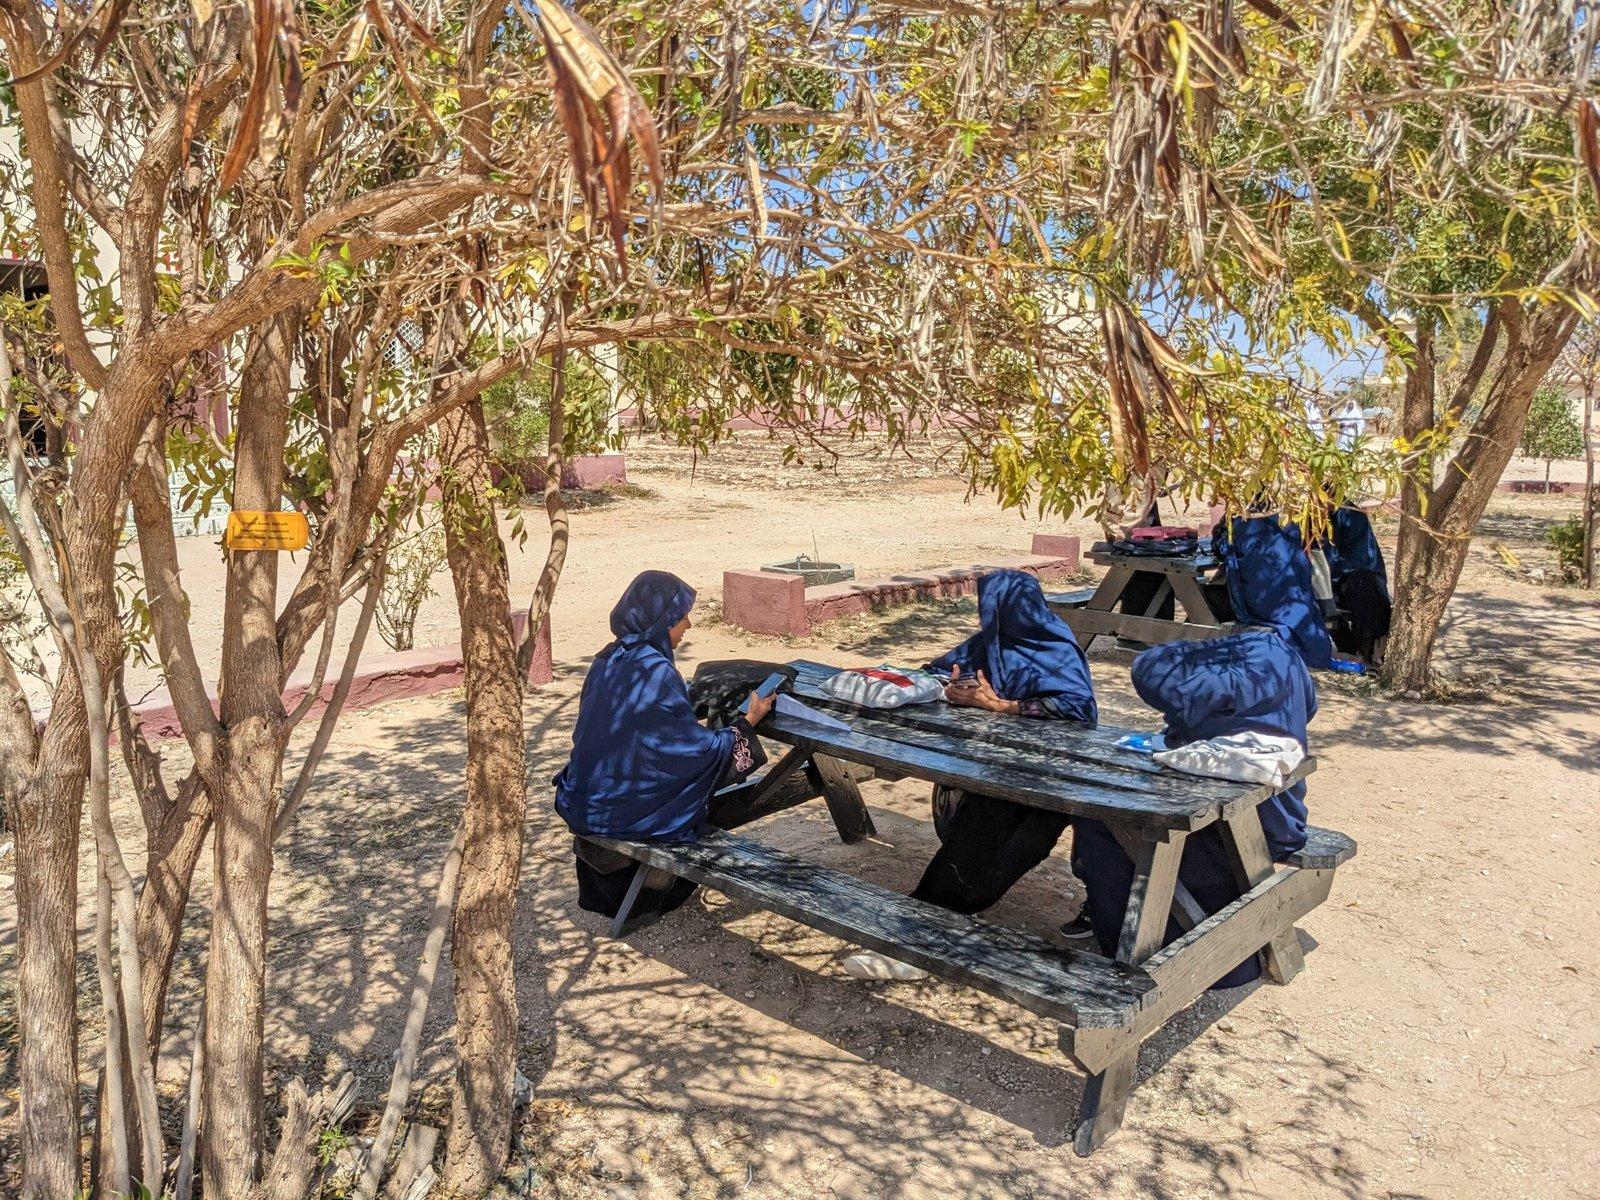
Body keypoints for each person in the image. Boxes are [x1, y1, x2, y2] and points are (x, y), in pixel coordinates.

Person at [842, 570, 1099, 979]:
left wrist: (1004, 707)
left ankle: (921, 939)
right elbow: (937, 670)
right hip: (999, 767)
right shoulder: (991, 644)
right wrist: (953, 691)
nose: (989, 617)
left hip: (1052, 775)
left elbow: (1077, 710)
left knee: (992, 842)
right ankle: (926, 929)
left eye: (997, 609)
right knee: (976, 838)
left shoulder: (1056, 649)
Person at [1071, 630, 1315, 988]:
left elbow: (1155, 673)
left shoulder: (1203, 691)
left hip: (1241, 828)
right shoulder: (1281, 662)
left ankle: (1130, 946)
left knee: (1107, 824)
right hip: (1285, 822)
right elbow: (1309, 708)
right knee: (1126, 824)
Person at [553, 570, 775, 922]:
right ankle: (654, 890)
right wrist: (747, 724)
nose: (688, 623)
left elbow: (636, 733)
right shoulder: (655, 671)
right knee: (706, 792)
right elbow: (690, 754)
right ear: (660, 621)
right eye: (680, 615)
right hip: (620, 814)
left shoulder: (608, 659)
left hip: (584, 796)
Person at [1215, 512, 1335, 670]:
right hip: (1294, 595)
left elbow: (1221, 547)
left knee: (1216, 596)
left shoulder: (1240, 522)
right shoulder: (1291, 517)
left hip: (1263, 598)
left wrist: (1221, 529)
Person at [1322, 502, 1392, 665]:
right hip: (1338, 577)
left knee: (1359, 587)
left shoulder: (1351, 515)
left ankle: (1370, 651)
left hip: (1360, 576)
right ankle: (1350, 649)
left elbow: (1359, 560)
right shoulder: (1316, 517)